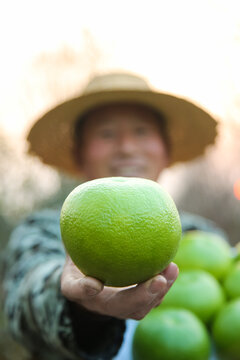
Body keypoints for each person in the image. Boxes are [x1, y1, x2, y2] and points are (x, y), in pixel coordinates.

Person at [2, 72, 225, 360]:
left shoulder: (204, 237)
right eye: (106, 134)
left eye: (142, 131)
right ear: (79, 153)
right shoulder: (44, 229)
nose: (127, 147)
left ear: (166, 149)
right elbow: (25, 301)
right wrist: (81, 305)